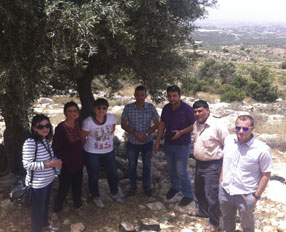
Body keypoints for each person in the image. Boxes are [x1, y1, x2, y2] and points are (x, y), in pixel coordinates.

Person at [219, 115, 273, 232]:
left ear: (252, 129)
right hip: (226, 190)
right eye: (238, 128)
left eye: (245, 128)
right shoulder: (229, 140)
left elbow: (266, 175)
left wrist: (256, 196)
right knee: (226, 220)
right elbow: (225, 160)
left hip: (246, 194)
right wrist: (221, 180)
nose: (241, 131)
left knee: (247, 225)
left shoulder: (262, 149)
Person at [188, 100, 229, 232]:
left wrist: (224, 170)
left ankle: (214, 222)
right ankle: (203, 212)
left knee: (212, 195)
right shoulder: (196, 124)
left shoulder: (218, 126)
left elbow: (228, 147)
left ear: (208, 110)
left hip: (213, 165)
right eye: (195, 111)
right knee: (199, 191)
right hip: (199, 164)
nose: (197, 114)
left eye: (200, 111)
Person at [154, 85, 195, 206]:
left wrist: (181, 132)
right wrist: (157, 141)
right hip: (169, 143)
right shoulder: (166, 108)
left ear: (179, 96)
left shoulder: (187, 109)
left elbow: (194, 125)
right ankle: (175, 187)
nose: (172, 98)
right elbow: (162, 124)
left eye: (174, 96)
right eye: (169, 96)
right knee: (171, 169)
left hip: (182, 144)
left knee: (181, 171)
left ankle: (188, 194)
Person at [22, 114, 62, 232]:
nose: (45, 129)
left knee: (45, 206)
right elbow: (27, 164)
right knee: (37, 210)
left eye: (47, 126)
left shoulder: (45, 140)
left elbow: (47, 158)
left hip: (49, 180)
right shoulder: (30, 143)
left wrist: (56, 163)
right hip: (37, 184)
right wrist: (48, 164)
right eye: (41, 127)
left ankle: (45, 224)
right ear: (34, 128)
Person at [81, 98, 122, 208]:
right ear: (94, 109)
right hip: (92, 152)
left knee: (113, 173)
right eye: (98, 108)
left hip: (108, 151)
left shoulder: (111, 118)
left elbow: (112, 131)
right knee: (94, 175)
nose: (101, 110)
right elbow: (83, 137)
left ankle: (115, 193)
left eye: (104, 108)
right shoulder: (88, 122)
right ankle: (96, 196)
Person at [121, 86, 159, 197]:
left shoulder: (151, 107)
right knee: (132, 165)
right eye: (138, 95)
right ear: (134, 95)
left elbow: (157, 123)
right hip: (132, 142)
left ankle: (146, 186)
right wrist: (135, 133)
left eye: (142, 95)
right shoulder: (128, 108)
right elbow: (123, 125)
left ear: (146, 96)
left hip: (147, 142)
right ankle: (133, 187)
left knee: (147, 165)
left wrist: (146, 134)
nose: (140, 97)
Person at [52, 101, 84, 222]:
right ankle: (56, 210)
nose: (72, 113)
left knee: (77, 186)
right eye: (70, 111)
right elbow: (55, 146)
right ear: (65, 112)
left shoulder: (80, 124)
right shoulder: (60, 128)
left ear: (78, 112)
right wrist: (58, 162)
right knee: (63, 188)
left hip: (78, 161)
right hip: (65, 163)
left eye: (75, 111)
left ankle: (78, 207)